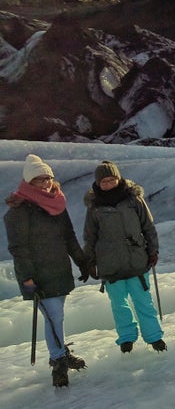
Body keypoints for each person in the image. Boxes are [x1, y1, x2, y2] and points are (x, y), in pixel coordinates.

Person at [4, 154, 89, 387]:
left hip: (59, 270)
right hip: (38, 275)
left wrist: (82, 261)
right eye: (40, 180)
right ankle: (58, 362)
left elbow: (69, 236)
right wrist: (28, 279)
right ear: (30, 183)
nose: (46, 183)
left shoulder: (57, 204)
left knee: (56, 317)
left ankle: (60, 353)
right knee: (54, 317)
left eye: (48, 178)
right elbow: (18, 249)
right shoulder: (19, 211)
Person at [83, 161, 166, 353]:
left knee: (143, 301)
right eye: (104, 181)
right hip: (109, 263)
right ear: (98, 183)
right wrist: (90, 261)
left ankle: (154, 337)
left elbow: (148, 227)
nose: (108, 183)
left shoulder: (134, 199)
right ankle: (127, 338)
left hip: (136, 258)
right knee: (119, 304)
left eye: (112, 179)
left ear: (118, 178)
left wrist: (153, 251)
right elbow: (90, 236)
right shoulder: (94, 206)